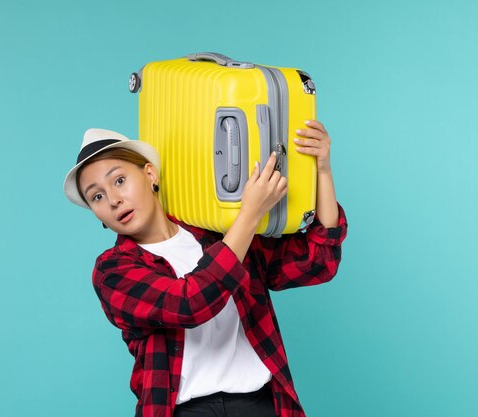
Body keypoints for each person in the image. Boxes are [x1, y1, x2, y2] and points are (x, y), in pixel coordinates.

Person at [63, 120, 348, 417]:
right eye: (97, 196)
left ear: (150, 174)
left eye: (119, 180)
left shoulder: (216, 235)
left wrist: (323, 170)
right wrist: (249, 216)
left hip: (260, 405)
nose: (113, 199)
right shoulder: (112, 271)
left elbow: (318, 261)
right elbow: (189, 303)